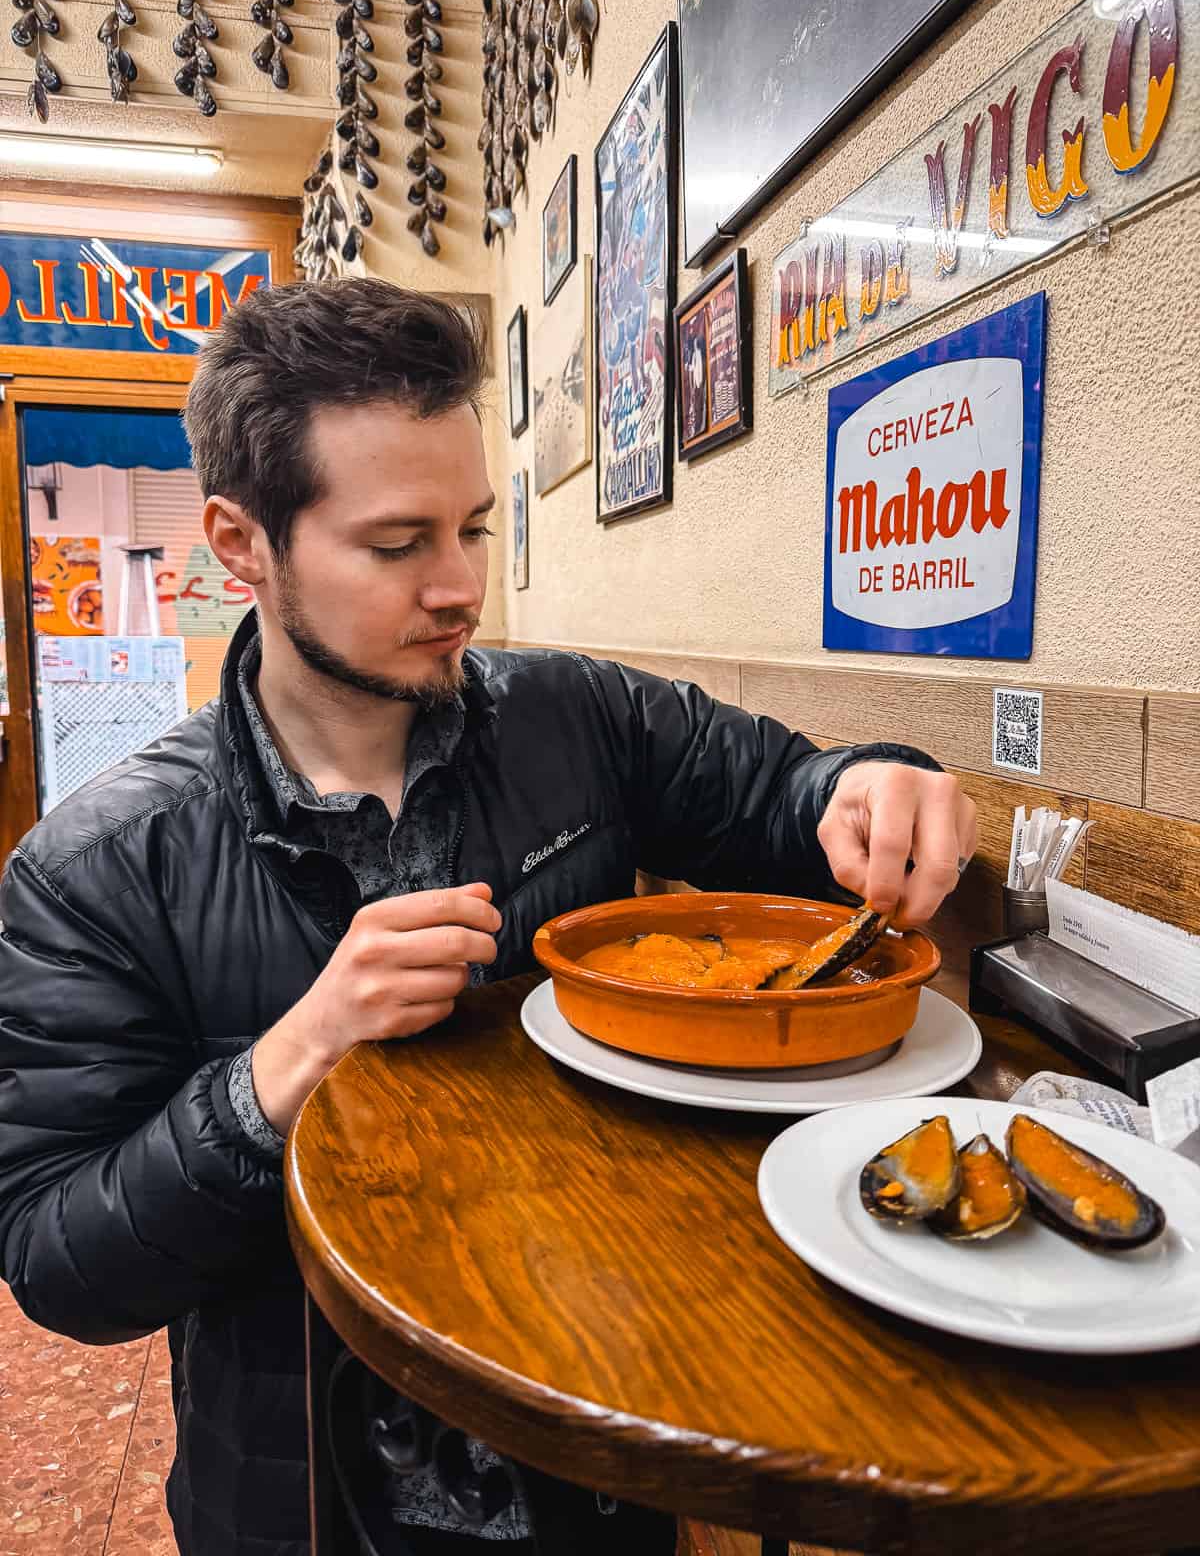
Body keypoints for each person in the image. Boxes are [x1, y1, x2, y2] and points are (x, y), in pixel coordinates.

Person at [0, 279, 976, 1556]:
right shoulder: (100, 865)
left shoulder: (581, 720)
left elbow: (776, 792)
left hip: (609, 1445)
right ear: (241, 544)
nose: (460, 587)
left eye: (472, 527)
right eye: (399, 546)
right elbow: (62, 1259)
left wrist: (867, 782)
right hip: (303, 1496)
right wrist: (295, 1058)